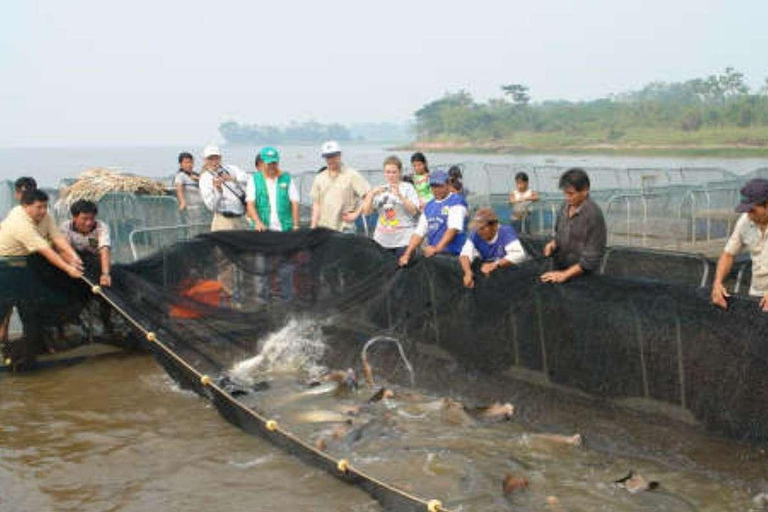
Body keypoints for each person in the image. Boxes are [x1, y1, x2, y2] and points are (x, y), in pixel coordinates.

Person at [541, 168, 606, 284]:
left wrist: (565, 275)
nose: (567, 197)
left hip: (583, 278)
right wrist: (553, 244)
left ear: (585, 191)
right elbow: (559, 235)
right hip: (558, 269)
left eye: (571, 194)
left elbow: (592, 258)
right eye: (565, 193)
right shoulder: (564, 207)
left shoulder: (593, 215)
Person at [711, 178, 768, 312]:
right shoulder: (745, 221)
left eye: (753, 210)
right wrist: (717, 283)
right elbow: (728, 254)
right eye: (746, 210)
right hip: (757, 294)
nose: (749, 214)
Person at [0, 189, 82, 277]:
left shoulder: (45, 216)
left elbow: (57, 237)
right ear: (25, 206)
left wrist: (74, 256)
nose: (43, 211)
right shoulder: (20, 223)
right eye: (39, 207)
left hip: (29, 256)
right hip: (7, 262)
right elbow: (45, 250)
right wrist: (68, 269)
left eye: (45, 206)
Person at [398, 169, 468, 266]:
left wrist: (437, 248)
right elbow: (419, 232)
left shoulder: (456, 201)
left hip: (454, 256)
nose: (436, 189)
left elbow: (453, 229)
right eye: (433, 186)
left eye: (440, 186)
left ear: (448, 184)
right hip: (434, 256)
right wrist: (407, 254)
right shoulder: (429, 206)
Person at [361, 156, 420, 254]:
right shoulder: (380, 190)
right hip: (382, 241)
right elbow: (367, 212)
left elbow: (414, 211)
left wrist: (400, 196)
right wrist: (371, 194)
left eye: (394, 172)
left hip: (403, 241)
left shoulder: (408, 188)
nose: (391, 175)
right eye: (388, 172)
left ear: (400, 172)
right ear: (384, 173)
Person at [310, 141, 371, 231]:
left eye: (333, 156)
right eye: (327, 157)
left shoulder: (352, 175)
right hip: (323, 229)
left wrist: (356, 214)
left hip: (345, 229)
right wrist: (313, 228)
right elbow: (316, 205)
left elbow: (369, 194)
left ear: (339, 155)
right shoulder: (319, 178)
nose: (331, 159)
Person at [459, 208, 527, 288]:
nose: (479, 231)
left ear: (494, 225)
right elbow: (465, 255)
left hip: (512, 280)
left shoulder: (505, 231)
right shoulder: (475, 235)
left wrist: (495, 264)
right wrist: (468, 272)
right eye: (477, 228)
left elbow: (519, 254)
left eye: (483, 228)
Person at [246, 147, 300, 232]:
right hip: (263, 228)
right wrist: (258, 222)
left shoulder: (287, 178)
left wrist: (296, 225)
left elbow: (295, 203)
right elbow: (250, 204)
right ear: (262, 163)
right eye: (269, 163)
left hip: (285, 228)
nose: (272, 166)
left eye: (274, 163)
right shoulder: (253, 180)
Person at [60, 200, 112, 287]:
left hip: (95, 261)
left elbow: (105, 249)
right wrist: (75, 265)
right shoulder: (65, 228)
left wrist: (105, 274)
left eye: (91, 219)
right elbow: (64, 250)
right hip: (75, 260)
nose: (88, 223)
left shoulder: (101, 227)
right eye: (84, 219)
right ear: (74, 217)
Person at [198, 145, 250, 231]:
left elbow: (249, 180)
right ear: (205, 160)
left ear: (220, 158)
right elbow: (211, 206)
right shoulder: (205, 178)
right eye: (210, 159)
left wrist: (233, 179)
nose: (214, 162)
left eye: (216, 158)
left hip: (241, 217)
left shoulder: (231, 169)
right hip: (224, 220)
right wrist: (218, 191)